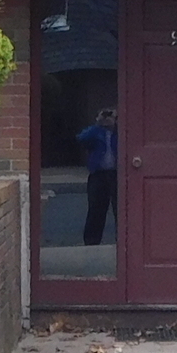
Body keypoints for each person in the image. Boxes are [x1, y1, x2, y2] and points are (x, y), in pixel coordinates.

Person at [76, 106, 118, 247]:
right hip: (98, 174)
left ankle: (123, 240)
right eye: (104, 117)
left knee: (120, 208)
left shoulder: (120, 132)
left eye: (110, 116)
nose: (107, 120)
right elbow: (81, 138)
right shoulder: (96, 132)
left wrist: (116, 124)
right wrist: (97, 124)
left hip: (116, 174)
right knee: (96, 209)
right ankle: (91, 241)